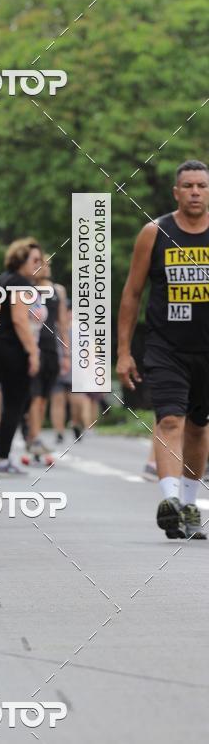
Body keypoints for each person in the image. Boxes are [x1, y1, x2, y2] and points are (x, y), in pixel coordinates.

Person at [117, 160, 209, 540]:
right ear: (176, 192)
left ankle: (188, 503)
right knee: (170, 419)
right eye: (187, 186)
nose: (194, 192)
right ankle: (170, 501)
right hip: (164, 345)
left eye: (201, 186)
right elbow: (132, 294)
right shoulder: (154, 233)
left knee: (199, 426)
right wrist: (124, 351)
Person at [0, 238, 46, 475]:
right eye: (35, 260)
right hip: (10, 348)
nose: (39, 265)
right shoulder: (21, 283)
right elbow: (20, 319)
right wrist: (33, 352)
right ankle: (2, 458)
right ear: (21, 260)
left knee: (17, 399)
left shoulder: (5, 279)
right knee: (15, 402)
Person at [25, 255, 69, 456]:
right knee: (34, 395)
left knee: (43, 397)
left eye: (48, 264)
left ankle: (34, 435)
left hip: (51, 347)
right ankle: (34, 437)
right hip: (33, 345)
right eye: (43, 264)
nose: (47, 267)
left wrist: (66, 353)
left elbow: (62, 324)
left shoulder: (57, 290)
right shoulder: (26, 289)